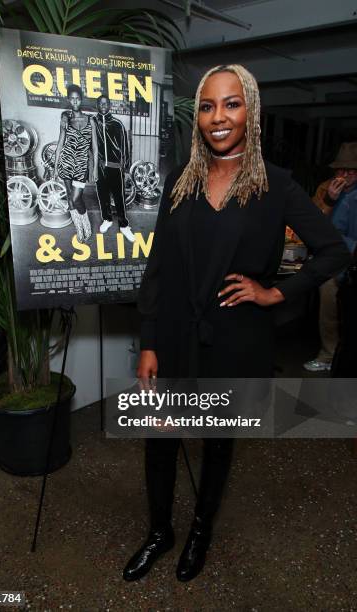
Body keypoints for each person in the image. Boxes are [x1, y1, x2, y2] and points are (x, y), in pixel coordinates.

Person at [122, 64, 350, 583]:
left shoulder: (277, 186)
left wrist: (273, 291)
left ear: (251, 109)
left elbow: (332, 251)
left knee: (217, 443)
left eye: (230, 104)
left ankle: (201, 529)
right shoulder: (182, 181)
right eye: (207, 106)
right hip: (177, 337)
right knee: (159, 439)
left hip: (235, 339)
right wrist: (150, 342)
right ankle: (160, 531)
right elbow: (158, 269)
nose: (217, 117)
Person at [304, 143, 357, 372]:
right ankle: (328, 353)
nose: (344, 176)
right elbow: (309, 223)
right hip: (332, 258)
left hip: (352, 258)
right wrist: (329, 201)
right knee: (326, 288)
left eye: (351, 171)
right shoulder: (326, 189)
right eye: (340, 170)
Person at [54, 84, 98, 243]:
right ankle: (79, 229)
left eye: (77, 99)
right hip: (66, 162)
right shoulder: (65, 118)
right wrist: (55, 166)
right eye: (71, 99)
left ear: (81, 99)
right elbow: (60, 143)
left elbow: (94, 147)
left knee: (76, 197)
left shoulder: (90, 120)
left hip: (81, 165)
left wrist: (95, 169)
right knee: (70, 197)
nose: (75, 102)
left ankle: (86, 225)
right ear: (68, 100)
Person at [93, 95, 136, 243]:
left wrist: (125, 166)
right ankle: (107, 219)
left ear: (109, 105)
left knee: (119, 197)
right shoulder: (93, 122)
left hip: (115, 167)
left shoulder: (117, 124)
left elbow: (125, 146)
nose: (103, 105)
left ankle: (124, 225)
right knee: (102, 195)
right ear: (97, 105)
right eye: (100, 103)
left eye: (106, 103)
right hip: (99, 166)